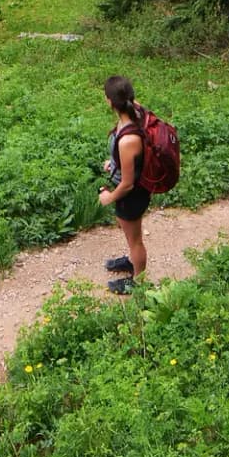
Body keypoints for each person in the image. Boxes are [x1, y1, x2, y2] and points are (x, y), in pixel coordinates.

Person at [99, 74, 149, 295]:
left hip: (131, 195)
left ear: (110, 101)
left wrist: (109, 197)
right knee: (130, 234)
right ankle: (130, 260)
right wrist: (115, 162)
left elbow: (127, 184)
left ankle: (138, 281)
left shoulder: (129, 140)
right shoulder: (133, 111)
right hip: (129, 191)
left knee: (135, 239)